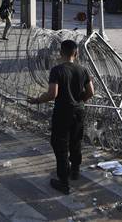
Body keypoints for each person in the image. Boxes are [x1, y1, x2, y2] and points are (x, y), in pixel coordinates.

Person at [28, 40, 94, 195]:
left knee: (60, 144)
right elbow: (91, 92)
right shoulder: (83, 70)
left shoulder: (57, 70)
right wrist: (79, 101)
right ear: (76, 54)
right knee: (76, 140)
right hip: (79, 111)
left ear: (60, 53)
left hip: (63, 113)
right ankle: (75, 170)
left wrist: (37, 100)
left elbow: (53, 94)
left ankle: (63, 181)